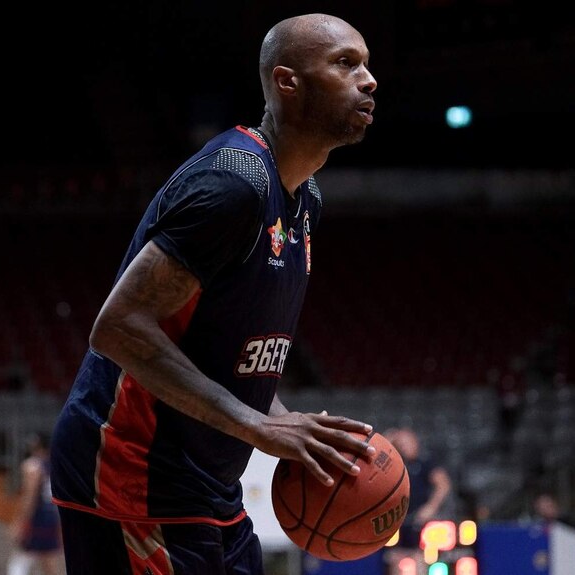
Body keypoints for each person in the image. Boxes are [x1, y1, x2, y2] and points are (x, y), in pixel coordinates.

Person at [49, 13, 378, 575]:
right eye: (345, 63)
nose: (369, 79)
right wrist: (259, 426)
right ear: (287, 81)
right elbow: (119, 327)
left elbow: (226, 357)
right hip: (133, 479)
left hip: (207, 488)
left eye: (367, 65)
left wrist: (290, 425)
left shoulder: (304, 199)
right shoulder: (234, 186)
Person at [387, 427, 452, 550]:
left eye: (406, 443)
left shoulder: (425, 462)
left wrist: (431, 507)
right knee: (394, 555)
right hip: (399, 519)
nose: (404, 447)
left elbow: (443, 484)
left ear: (415, 442)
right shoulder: (395, 464)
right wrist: (389, 440)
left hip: (421, 518)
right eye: (400, 444)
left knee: (422, 554)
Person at [7, 433, 62, 575]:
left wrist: (20, 522)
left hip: (38, 517)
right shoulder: (54, 466)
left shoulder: (33, 466)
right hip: (51, 516)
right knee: (48, 562)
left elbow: (30, 497)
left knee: (20, 559)